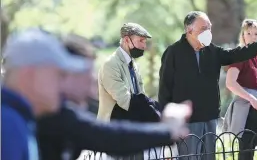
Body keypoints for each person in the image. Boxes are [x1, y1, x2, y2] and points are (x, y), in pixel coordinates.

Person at [37, 34, 190, 160]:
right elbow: (110, 137)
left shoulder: (59, 112)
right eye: (87, 74)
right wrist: (169, 129)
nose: (92, 82)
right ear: (67, 75)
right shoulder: (50, 116)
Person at [158, 11, 257, 160]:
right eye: (203, 28)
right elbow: (165, 88)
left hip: (209, 116)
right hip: (187, 119)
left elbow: (235, 54)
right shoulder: (173, 52)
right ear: (189, 30)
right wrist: (166, 120)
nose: (208, 32)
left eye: (209, 28)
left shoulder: (211, 50)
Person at [1, 28, 89, 160]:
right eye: (59, 75)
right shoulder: (8, 125)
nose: (62, 85)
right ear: (29, 76)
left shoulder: (17, 119)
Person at [223, 19, 257, 160]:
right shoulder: (239, 56)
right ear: (243, 35)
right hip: (247, 113)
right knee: (246, 155)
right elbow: (230, 83)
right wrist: (251, 99)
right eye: (249, 33)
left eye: (256, 34)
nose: (253, 37)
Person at [97, 22, 160, 124]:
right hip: (111, 130)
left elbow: (141, 96)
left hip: (130, 127)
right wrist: (154, 114)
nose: (144, 46)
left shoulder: (134, 65)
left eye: (145, 42)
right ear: (127, 40)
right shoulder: (110, 64)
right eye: (141, 41)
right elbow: (125, 100)